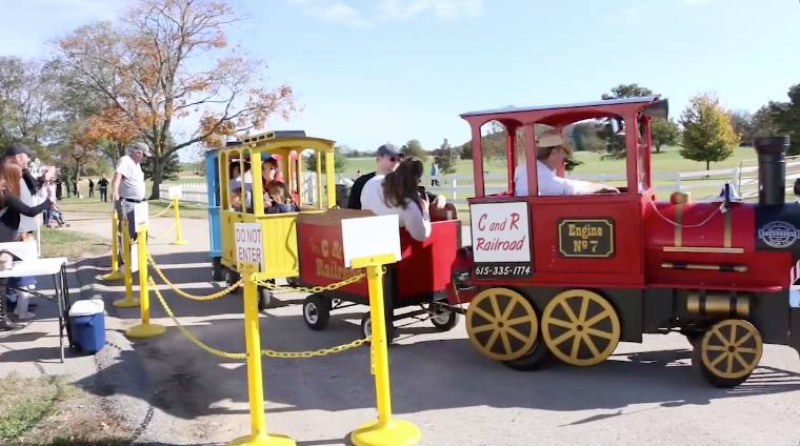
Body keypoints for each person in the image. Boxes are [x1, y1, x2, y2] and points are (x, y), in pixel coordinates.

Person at [0, 160, 53, 327]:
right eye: (19, 175)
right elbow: (29, 212)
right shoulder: (5, 192)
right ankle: (3, 319)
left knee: (3, 282)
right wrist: (49, 201)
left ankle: (6, 317)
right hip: (4, 243)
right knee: (2, 282)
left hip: (6, 240)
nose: (21, 179)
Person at [514, 130, 619, 196]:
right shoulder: (538, 175)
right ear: (554, 152)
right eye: (564, 152)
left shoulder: (526, 170)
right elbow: (567, 188)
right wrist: (599, 188)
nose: (565, 157)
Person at [361, 157, 431, 242]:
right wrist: (425, 211)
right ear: (415, 181)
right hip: (389, 248)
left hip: (364, 239)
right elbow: (421, 235)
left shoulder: (372, 182)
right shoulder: (408, 205)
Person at [112, 142, 150, 241]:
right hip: (128, 203)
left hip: (139, 204)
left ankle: (141, 254)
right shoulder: (126, 161)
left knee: (142, 231)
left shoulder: (137, 165)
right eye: (144, 155)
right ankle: (126, 255)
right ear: (138, 153)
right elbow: (118, 176)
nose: (146, 158)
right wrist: (115, 191)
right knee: (129, 232)